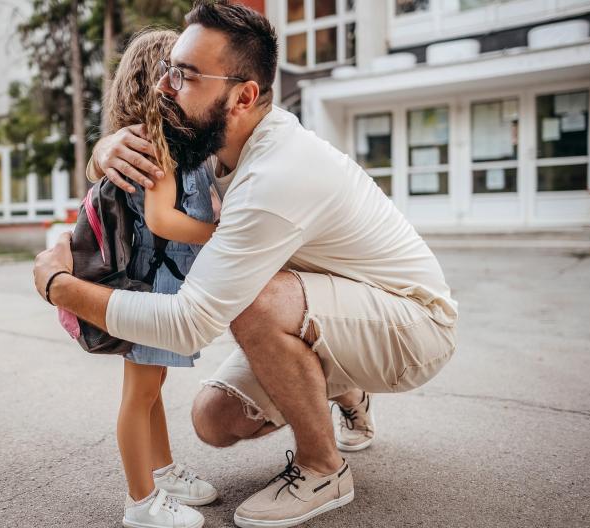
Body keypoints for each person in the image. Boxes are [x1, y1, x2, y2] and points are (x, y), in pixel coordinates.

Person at [34, 3, 458, 527]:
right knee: (213, 420)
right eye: (169, 69)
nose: (165, 87)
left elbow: (189, 323)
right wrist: (106, 150)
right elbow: (151, 164)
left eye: (184, 75)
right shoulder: (218, 139)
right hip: (331, 299)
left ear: (244, 96)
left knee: (251, 301)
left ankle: (323, 467)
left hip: (413, 324)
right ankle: (345, 385)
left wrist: (60, 286)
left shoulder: (276, 174)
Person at [98, 29, 222, 528]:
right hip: (152, 288)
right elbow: (161, 220)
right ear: (162, 78)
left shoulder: (165, 139)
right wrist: (219, 232)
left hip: (158, 286)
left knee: (151, 387)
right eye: (181, 69)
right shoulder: (157, 142)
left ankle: (163, 472)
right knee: (139, 395)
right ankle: (140, 502)